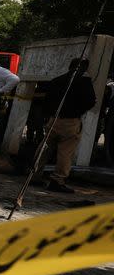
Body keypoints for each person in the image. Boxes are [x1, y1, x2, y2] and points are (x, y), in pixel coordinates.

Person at [40, 58, 97, 193]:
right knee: (65, 152)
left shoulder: (56, 80)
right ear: (84, 69)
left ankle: (34, 174)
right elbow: (90, 101)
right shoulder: (84, 82)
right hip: (70, 121)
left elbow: (46, 100)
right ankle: (57, 180)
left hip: (53, 119)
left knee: (44, 148)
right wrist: (78, 111)